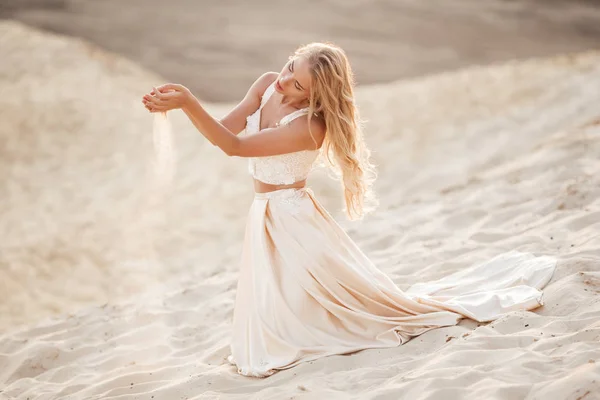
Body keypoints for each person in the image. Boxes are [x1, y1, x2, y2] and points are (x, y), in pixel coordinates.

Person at [141, 42, 556, 378]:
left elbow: (234, 148)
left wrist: (188, 101)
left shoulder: (310, 127)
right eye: (289, 68)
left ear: (315, 97)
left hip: (291, 217)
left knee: (327, 313)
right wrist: (173, 105)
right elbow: (226, 129)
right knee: (283, 304)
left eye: (298, 84)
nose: (284, 81)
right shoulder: (269, 83)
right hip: (263, 211)